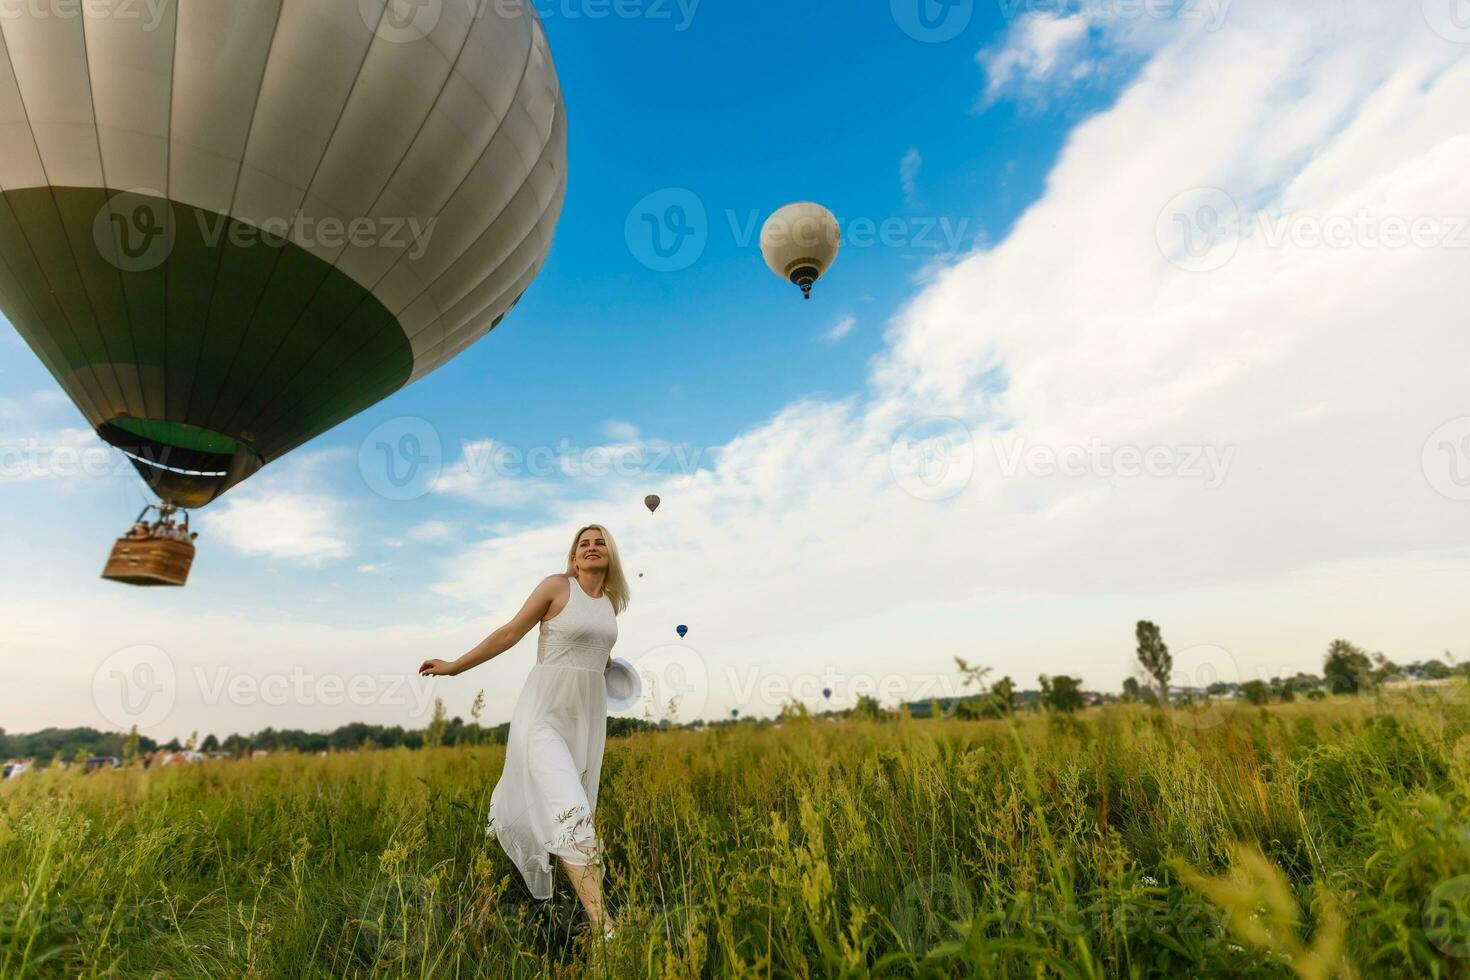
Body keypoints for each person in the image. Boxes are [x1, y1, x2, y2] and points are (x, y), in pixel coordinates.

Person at [418, 524, 627, 940]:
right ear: (572, 556)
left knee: (571, 805)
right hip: (543, 717)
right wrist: (456, 666)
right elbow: (510, 633)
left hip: (584, 720)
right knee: (574, 812)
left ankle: (588, 908)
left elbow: (595, 655)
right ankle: (605, 929)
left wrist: (619, 674)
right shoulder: (555, 587)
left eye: (599, 542)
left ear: (611, 554)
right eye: (583, 543)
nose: (591, 548)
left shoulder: (609, 603)